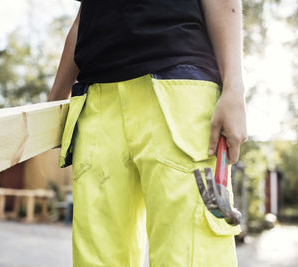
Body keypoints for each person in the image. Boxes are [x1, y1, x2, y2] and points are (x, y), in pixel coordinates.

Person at [48, 0, 247, 266]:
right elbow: (84, 15)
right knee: (95, 260)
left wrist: (234, 88)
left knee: (189, 256)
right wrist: (54, 101)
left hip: (178, 94)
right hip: (95, 102)